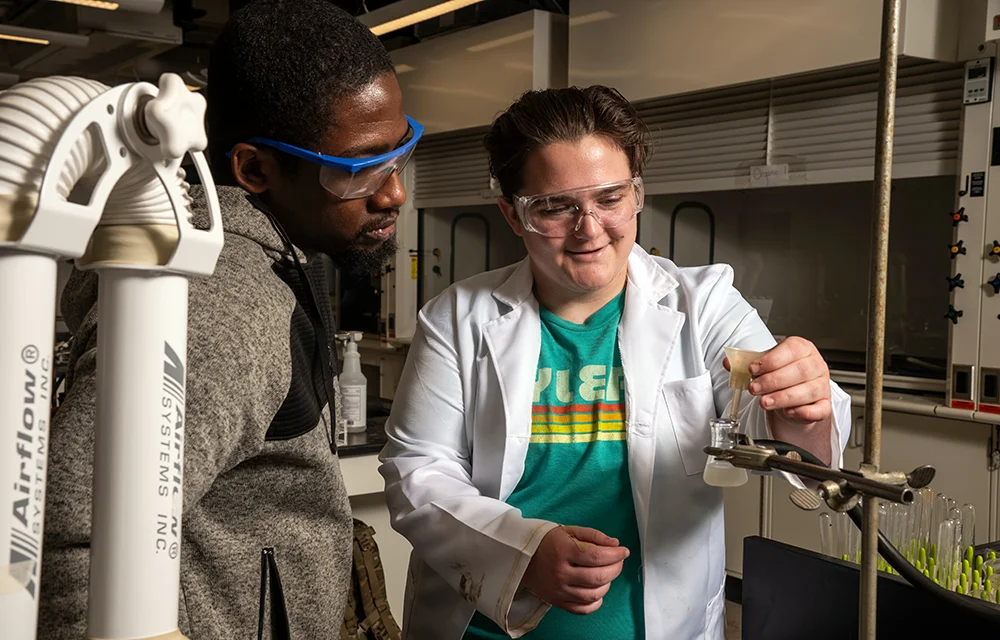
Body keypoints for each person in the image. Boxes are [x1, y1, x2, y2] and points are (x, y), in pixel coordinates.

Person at [378, 86, 851, 639]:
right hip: (484, 627)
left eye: (609, 198)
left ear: (637, 195)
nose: (590, 228)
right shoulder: (458, 317)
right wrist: (523, 553)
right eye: (556, 206)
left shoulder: (704, 303)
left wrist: (802, 411)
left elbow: (766, 434)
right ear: (512, 213)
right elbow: (417, 471)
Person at [39, 1, 417, 637]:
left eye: (401, 151)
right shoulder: (225, 300)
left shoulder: (277, 256)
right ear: (255, 169)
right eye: (358, 168)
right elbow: (74, 530)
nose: (393, 192)